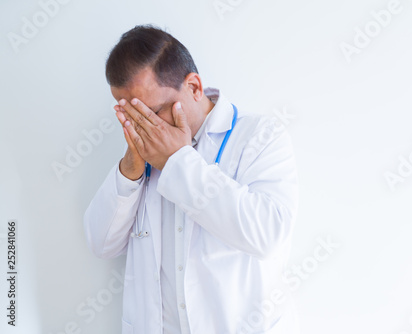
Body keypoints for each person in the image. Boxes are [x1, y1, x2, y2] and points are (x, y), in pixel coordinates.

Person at [83, 24, 300, 334]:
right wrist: (130, 170)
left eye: (153, 111)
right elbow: (101, 244)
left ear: (195, 87)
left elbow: (267, 234)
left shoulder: (260, 136)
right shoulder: (139, 159)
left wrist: (178, 161)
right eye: (132, 116)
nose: (145, 126)